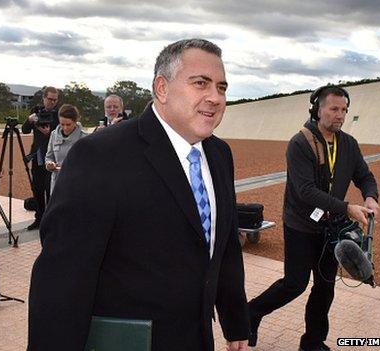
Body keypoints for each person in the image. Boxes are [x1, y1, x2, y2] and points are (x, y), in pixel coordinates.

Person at [28, 38, 248, 351]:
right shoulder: (100, 155)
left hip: (198, 338)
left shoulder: (219, 154)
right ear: (162, 88)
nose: (215, 97)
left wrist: (235, 318)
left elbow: (221, 243)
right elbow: (62, 278)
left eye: (222, 87)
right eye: (201, 83)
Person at [247, 86, 380, 351]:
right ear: (317, 110)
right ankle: (250, 313)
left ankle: (312, 343)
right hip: (301, 225)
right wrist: (347, 208)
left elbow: (364, 175)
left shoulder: (348, 144)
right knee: (294, 284)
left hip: (330, 228)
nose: (340, 115)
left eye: (344, 110)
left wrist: (370, 196)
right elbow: (305, 191)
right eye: (334, 109)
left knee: (325, 286)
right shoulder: (300, 143)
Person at [22, 86, 59, 230]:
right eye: (50, 99)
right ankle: (39, 218)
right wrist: (29, 120)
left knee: (50, 190)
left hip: (52, 158)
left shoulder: (58, 114)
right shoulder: (36, 111)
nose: (52, 102)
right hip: (37, 156)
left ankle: (49, 220)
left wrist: (49, 133)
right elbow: (24, 130)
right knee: (37, 189)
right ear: (44, 98)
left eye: (55, 100)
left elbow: (62, 134)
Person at [44, 104, 87, 192]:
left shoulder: (84, 138)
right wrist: (49, 164)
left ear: (76, 121)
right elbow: (49, 156)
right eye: (62, 124)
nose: (65, 128)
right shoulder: (53, 135)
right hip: (57, 183)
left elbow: (88, 164)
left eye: (68, 124)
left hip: (75, 185)